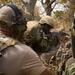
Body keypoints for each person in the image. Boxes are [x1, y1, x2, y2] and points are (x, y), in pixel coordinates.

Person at [0, 4, 51, 75]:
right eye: (22, 22)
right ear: (16, 25)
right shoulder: (23, 52)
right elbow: (44, 47)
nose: (25, 27)